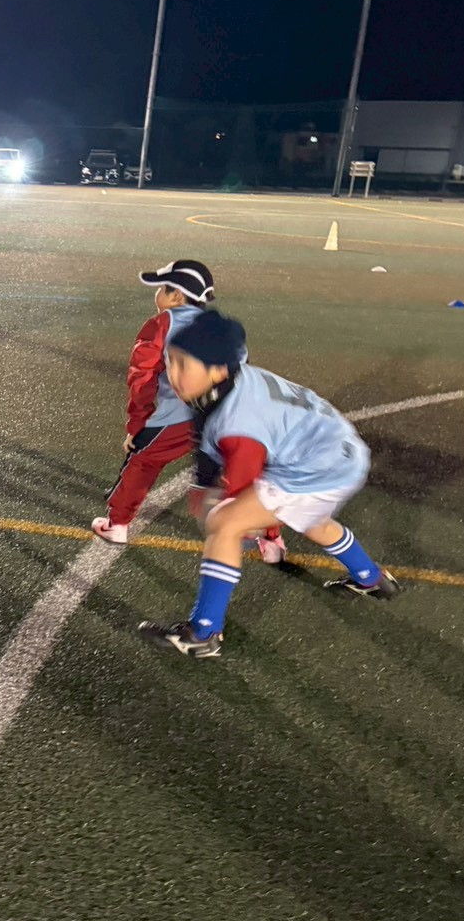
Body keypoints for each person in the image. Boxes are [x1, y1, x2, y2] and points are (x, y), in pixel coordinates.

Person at [138, 310, 400, 659]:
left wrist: (230, 513)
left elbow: (240, 485)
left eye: (184, 364)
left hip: (315, 468)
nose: (173, 374)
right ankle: (372, 579)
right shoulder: (234, 381)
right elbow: (212, 435)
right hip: (339, 454)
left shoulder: (237, 423)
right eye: (171, 361)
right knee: (313, 519)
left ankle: (203, 633)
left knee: (225, 524)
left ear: (217, 369)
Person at [92, 259, 285, 562]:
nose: (157, 295)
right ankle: (271, 541)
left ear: (177, 296)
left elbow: (142, 377)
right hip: (235, 415)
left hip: (180, 417)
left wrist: (137, 425)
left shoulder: (161, 323)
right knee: (248, 475)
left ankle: (117, 525)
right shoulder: (222, 325)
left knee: (142, 460)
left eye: (161, 289)